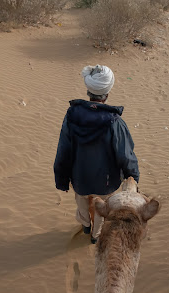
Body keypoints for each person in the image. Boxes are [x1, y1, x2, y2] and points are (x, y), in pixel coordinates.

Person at [54, 64, 139, 243]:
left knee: (82, 205)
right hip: (106, 182)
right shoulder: (115, 122)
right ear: (107, 93)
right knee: (102, 211)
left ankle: (85, 227)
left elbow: (64, 149)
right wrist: (133, 177)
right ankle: (95, 236)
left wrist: (62, 178)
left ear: (88, 90)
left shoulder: (71, 115)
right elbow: (125, 155)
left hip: (80, 178)